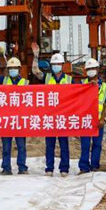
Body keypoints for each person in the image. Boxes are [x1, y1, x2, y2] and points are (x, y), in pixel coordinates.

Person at [31, 43, 73, 177]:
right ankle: (49, 168)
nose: (56, 67)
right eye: (54, 64)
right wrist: (36, 56)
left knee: (64, 144)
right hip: (50, 116)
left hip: (63, 116)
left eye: (58, 64)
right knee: (50, 145)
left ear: (62, 65)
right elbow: (35, 71)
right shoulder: (47, 78)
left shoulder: (69, 80)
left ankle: (64, 168)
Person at [0, 47, 28, 175]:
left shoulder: (25, 83)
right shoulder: (4, 81)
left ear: (19, 69)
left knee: (21, 145)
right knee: (6, 146)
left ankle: (22, 167)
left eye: (15, 68)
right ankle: (6, 168)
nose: (13, 71)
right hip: (7, 119)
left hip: (20, 119)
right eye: (11, 69)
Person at [78, 58, 106, 174]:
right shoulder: (82, 85)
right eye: (89, 69)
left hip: (98, 121)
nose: (91, 71)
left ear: (97, 69)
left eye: (93, 68)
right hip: (86, 120)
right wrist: (88, 86)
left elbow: (105, 104)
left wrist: (102, 119)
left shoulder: (105, 86)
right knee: (85, 144)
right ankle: (84, 167)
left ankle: (95, 166)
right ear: (85, 71)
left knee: (97, 144)